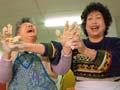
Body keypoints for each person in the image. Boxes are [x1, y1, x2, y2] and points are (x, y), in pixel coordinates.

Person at [53, 2, 120, 90]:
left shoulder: (116, 42)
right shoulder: (76, 44)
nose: (94, 22)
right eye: (90, 19)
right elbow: (61, 70)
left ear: (106, 23)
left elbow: (116, 66)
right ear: (85, 25)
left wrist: (85, 50)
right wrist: (66, 48)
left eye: (98, 18)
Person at [0, 17, 70, 90]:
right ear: (17, 34)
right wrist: (7, 52)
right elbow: (3, 79)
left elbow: (62, 70)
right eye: (25, 26)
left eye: (32, 25)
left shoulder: (47, 50)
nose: (30, 26)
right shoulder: (10, 54)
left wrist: (67, 48)